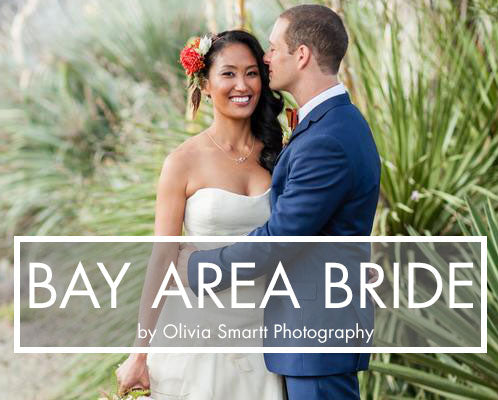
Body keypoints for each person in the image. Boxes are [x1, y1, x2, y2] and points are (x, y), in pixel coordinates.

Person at [179, 4, 381, 399]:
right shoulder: (330, 124)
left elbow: (283, 236)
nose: (266, 59)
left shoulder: (327, 140)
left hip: (315, 336)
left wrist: (199, 267)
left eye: (272, 49)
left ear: (301, 55)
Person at [116, 30, 286, 399]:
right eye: (228, 73)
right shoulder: (182, 162)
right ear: (205, 84)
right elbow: (163, 257)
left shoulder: (281, 153)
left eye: (252, 72)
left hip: (265, 333)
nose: (242, 85)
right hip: (198, 331)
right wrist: (139, 352)